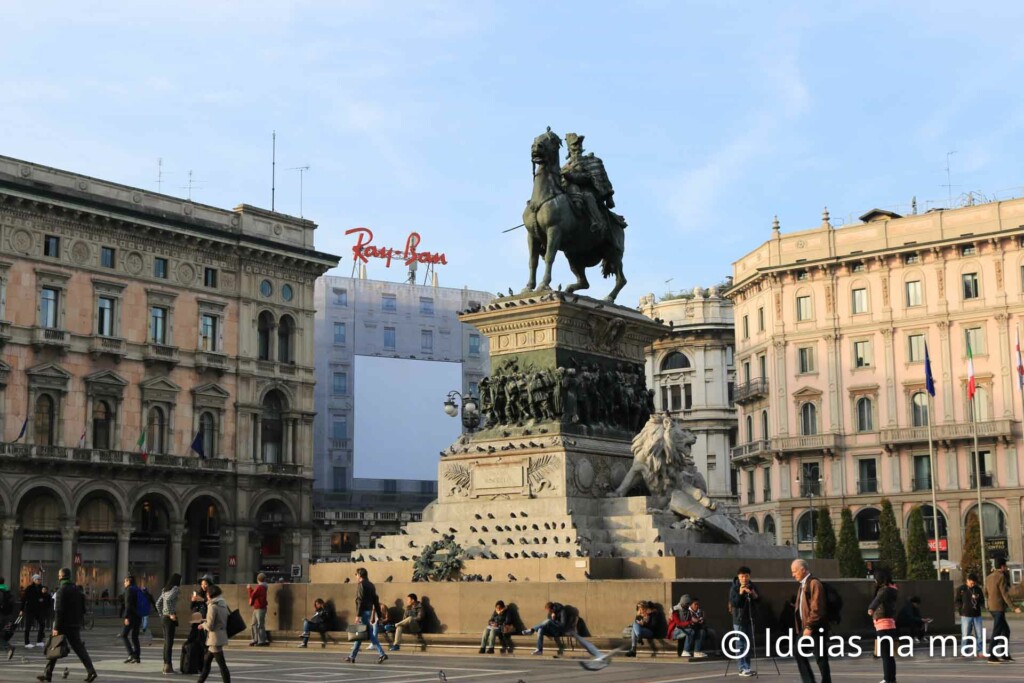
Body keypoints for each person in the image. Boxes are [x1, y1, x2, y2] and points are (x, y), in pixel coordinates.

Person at [35, 568, 97, 683]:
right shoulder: (77, 590)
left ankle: (47, 675)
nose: (58, 577)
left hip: (63, 624)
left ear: (60, 577)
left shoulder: (61, 591)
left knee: (54, 647)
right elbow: (83, 608)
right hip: (75, 624)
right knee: (79, 649)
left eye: (59, 575)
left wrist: (56, 628)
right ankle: (91, 671)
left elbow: (59, 611)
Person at [791, 559, 831, 683]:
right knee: (798, 651)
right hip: (806, 627)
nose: (793, 574)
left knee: (820, 657)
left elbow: (817, 608)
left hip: (815, 627)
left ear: (803, 570)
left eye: (794, 571)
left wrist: (810, 626)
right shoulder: (803, 585)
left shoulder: (814, 583)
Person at [343, 568, 387, 664]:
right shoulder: (371, 585)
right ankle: (352, 656)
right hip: (368, 611)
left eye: (356, 575)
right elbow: (376, 600)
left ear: (360, 575)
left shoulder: (361, 585)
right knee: (360, 633)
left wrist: (358, 615)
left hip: (363, 612)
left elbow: (360, 601)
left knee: (368, 634)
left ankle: (382, 653)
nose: (356, 577)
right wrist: (379, 615)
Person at [985, 556, 1021, 663]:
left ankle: (1004, 654)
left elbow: (985, 592)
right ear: (1002, 567)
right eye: (1005, 566)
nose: (1006, 568)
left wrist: (990, 601)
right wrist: (1014, 607)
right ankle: (992, 655)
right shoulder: (1001, 577)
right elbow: (1004, 594)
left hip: (992, 607)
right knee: (997, 631)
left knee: (1005, 630)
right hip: (998, 608)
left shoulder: (988, 577)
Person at [868, 567, 898, 683]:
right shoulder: (892, 589)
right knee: (889, 656)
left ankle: (887, 679)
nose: (875, 581)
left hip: (883, 625)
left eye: (876, 579)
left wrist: (871, 609)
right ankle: (891, 679)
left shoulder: (884, 590)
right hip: (890, 624)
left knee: (885, 655)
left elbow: (877, 600)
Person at [730, 566, 760, 676]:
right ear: (738, 577)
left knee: (748, 644)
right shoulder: (734, 587)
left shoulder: (752, 586)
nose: (744, 578)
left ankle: (747, 667)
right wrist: (740, 593)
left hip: (750, 618)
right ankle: (741, 668)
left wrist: (753, 594)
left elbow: (759, 599)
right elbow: (734, 603)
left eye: (746, 576)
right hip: (739, 619)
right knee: (740, 644)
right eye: (742, 576)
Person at [196, 584, 230, 683]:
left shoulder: (212, 606)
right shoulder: (223, 603)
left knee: (222, 665)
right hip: (220, 635)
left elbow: (210, 625)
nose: (206, 595)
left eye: (207, 593)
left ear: (210, 594)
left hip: (214, 638)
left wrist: (202, 625)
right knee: (207, 662)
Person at [155, 573, 182, 674]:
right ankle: (168, 667)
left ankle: (165, 665)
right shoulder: (175, 589)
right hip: (169, 618)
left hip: (163, 618)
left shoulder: (164, 589)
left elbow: (158, 603)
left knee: (166, 642)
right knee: (169, 642)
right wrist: (170, 613)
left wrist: (161, 614)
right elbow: (170, 599)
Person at [955, 573, 985, 654]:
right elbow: (957, 601)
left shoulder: (978, 589)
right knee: (965, 634)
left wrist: (979, 602)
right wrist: (961, 609)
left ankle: (980, 650)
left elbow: (982, 600)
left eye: (974, 583)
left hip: (977, 615)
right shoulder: (961, 589)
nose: (973, 585)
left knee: (979, 634)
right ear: (967, 581)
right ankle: (964, 650)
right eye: (971, 583)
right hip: (965, 615)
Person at [119, 574, 142, 664]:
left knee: (124, 635)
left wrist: (126, 617)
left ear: (128, 581)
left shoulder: (129, 590)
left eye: (125, 581)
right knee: (135, 636)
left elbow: (128, 605)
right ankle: (137, 656)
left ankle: (131, 654)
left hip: (131, 616)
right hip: (139, 616)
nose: (124, 583)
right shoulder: (137, 589)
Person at [20, 574, 46, 648]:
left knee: (42, 624)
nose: (39, 581)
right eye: (38, 579)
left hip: (38, 609)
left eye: (40, 579)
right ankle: (27, 642)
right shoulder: (29, 588)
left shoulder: (41, 588)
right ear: (34, 580)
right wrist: (21, 609)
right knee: (28, 626)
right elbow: (24, 599)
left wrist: (44, 595)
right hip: (30, 609)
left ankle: (39, 641)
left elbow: (45, 598)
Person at [246, 573, 269, 647]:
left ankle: (258, 639)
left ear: (257, 579)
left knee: (256, 624)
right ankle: (260, 639)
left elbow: (253, 595)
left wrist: (249, 588)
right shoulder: (264, 587)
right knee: (258, 624)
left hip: (258, 607)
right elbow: (256, 594)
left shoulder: (259, 587)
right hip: (260, 607)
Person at [0, 576, 15, 658]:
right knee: (2, 635)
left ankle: (9, 648)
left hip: (1, 617)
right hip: (8, 617)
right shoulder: (9, 592)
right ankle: (8, 647)